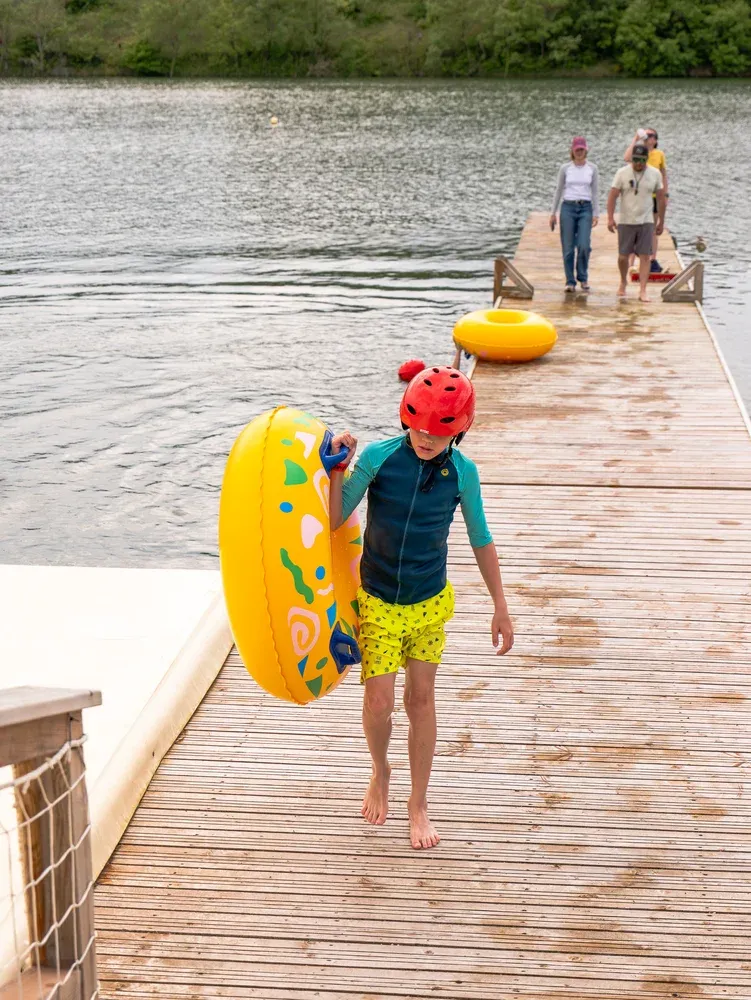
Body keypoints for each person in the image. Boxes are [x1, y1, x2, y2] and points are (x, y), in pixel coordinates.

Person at [328, 367, 514, 850]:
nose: (426, 438)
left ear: (459, 431)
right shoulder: (379, 457)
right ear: (405, 418)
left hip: (429, 604)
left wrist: (500, 604)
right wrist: (338, 469)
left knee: (420, 701)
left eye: (439, 432)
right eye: (419, 428)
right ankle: (380, 770)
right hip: (378, 601)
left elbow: (481, 538)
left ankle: (418, 802)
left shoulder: (464, 474)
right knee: (379, 702)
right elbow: (336, 517)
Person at [607, 142, 665, 303]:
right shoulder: (622, 173)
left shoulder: (655, 174)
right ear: (632, 158)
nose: (638, 163)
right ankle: (623, 281)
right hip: (626, 220)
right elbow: (612, 196)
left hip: (646, 220)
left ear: (647, 159)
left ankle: (643, 289)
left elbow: (661, 199)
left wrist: (661, 222)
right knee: (623, 256)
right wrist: (610, 218)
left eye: (642, 160)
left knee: (645, 256)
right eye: (636, 160)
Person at [549, 136, 600, 294]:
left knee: (584, 245)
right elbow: (558, 190)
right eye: (577, 149)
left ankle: (583, 277)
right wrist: (553, 213)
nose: (579, 152)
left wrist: (596, 213)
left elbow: (595, 192)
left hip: (585, 207)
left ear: (586, 150)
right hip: (568, 207)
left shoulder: (592, 168)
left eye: (582, 149)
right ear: (572, 150)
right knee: (568, 247)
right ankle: (570, 281)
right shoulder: (565, 168)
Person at [624, 127, 669, 271]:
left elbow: (663, 175)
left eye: (650, 135)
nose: (648, 138)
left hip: (655, 196)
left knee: (652, 229)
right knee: (635, 228)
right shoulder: (638, 152)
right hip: (640, 196)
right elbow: (627, 158)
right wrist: (636, 139)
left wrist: (665, 194)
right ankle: (631, 263)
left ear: (655, 140)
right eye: (646, 135)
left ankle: (652, 260)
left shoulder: (659, 154)